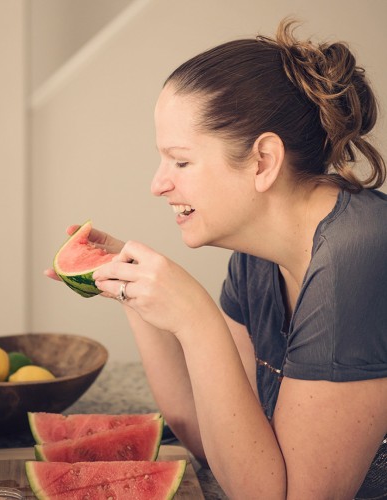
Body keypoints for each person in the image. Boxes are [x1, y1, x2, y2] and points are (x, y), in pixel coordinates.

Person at [47, 19, 387, 499]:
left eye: (181, 161)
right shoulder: (258, 254)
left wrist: (196, 320)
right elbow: (216, 440)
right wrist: (126, 285)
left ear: (263, 161)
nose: (158, 184)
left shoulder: (357, 259)